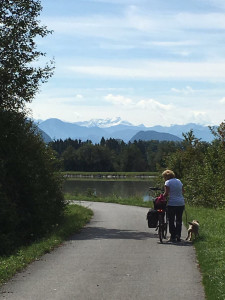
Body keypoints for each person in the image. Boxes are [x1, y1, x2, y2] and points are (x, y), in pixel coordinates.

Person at [162, 169, 185, 242]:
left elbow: (166, 193)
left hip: (172, 203)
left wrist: (161, 197)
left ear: (166, 176)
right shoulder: (179, 181)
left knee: (171, 220)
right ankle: (178, 235)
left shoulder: (167, 182)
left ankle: (173, 236)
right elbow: (183, 191)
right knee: (179, 220)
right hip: (181, 203)